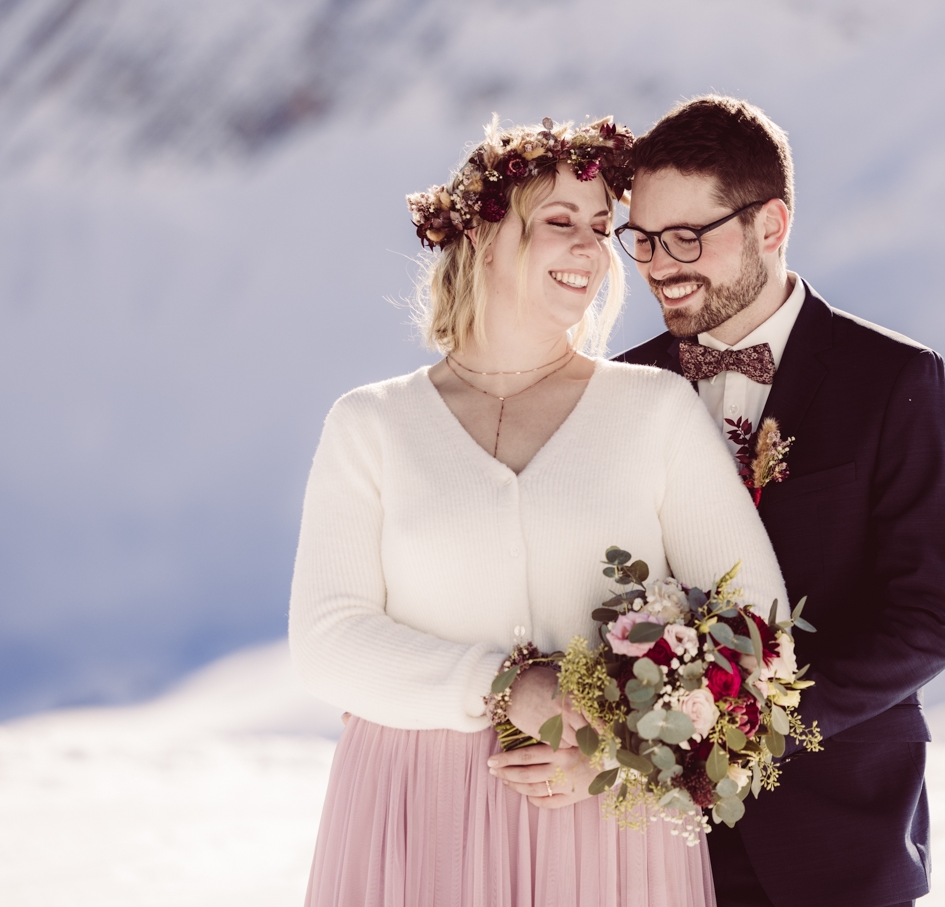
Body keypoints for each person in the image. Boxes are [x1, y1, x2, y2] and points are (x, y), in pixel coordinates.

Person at [289, 115, 790, 906]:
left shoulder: (654, 409)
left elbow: (758, 630)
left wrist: (619, 752)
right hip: (415, 814)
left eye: (600, 227)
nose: (591, 248)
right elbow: (326, 639)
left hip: (603, 818)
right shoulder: (372, 424)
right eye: (561, 222)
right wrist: (504, 684)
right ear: (483, 236)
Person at [613, 96, 945, 907]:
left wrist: (748, 721)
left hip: (841, 841)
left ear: (771, 225)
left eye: (687, 237)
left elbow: (928, 618)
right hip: (657, 848)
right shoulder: (618, 389)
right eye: (644, 239)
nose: (659, 265)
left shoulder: (895, 380)